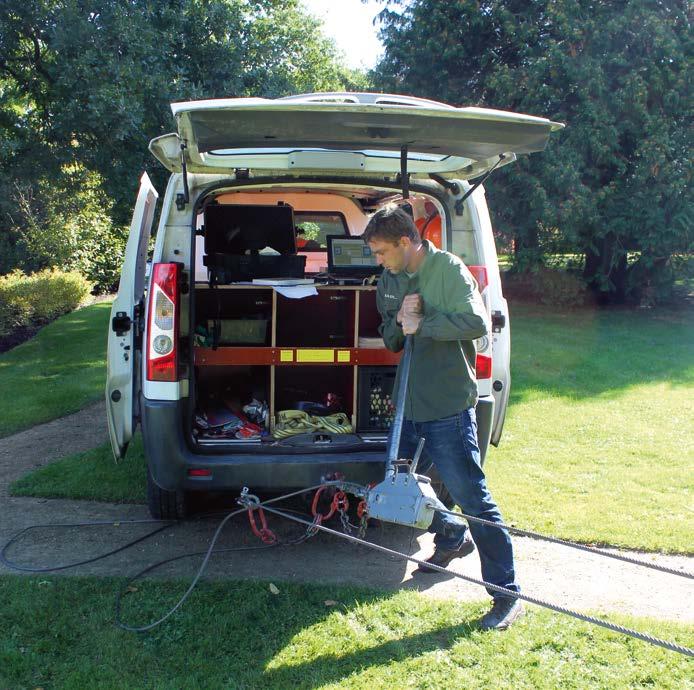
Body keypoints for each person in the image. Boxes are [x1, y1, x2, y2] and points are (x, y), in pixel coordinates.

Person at [363, 204, 523, 631]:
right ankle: (451, 537)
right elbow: (393, 339)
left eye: (381, 252)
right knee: (399, 488)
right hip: (408, 405)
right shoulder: (390, 279)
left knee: (472, 497)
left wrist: (424, 321)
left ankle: (507, 595)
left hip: (448, 407)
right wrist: (400, 321)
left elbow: (475, 323)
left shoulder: (448, 270)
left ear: (404, 242)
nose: (377, 261)